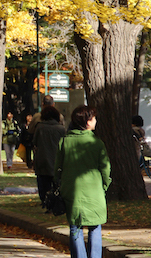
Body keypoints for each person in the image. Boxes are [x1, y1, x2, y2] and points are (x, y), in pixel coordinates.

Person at [55, 105, 111, 258]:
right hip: (94, 190)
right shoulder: (97, 143)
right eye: (93, 118)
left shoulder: (65, 141)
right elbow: (105, 168)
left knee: (75, 227)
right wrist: (105, 184)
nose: (95, 121)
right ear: (87, 122)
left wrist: (58, 183)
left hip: (71, 190)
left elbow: (57, 167)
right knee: (95, 226)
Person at [33, 105, 65, 202]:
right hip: (56, 159)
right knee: (56, 181)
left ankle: (44, 200)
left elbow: (35, 142)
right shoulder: (61, 129)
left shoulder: (40, 127)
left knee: (43, 182)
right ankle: (55, 200)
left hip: (42, 158)